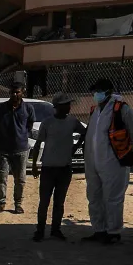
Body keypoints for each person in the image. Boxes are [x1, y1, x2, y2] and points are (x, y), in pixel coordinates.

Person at [82, 77, 133, 245]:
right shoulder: (95, 110)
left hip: (113, 162)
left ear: (107, 92)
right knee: (94, 196)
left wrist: (122, 153)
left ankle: (113, 231)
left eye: (97, 91)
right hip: (93, 162)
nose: (95, 95)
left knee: (112, 198)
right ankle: (99, 230)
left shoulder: (121, 109)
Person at [30, 93, 84, 242]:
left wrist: (75, 147)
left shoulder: (73, 121)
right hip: (48, 168)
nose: (69, 107)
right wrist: (35, 165)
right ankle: (40, 230)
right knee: (44, 201)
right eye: (66, 104)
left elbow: (85, 133)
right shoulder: (47, 123)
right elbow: (38, 143)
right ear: (58, 107)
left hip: (65, 168)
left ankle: (55, 229)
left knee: (59, 202)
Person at [0, 81, 31, 214]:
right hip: (3, 148)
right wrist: (4, 135)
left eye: (17, 92)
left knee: (20, 179)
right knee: (2, 178)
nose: (14, 94)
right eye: (12, 92)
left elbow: (29, 126)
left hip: (21, 149)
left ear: (22, 92)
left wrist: (20, 136)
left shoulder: (28, 108)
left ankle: (18, 204)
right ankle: (1, 203)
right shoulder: (1, 108)